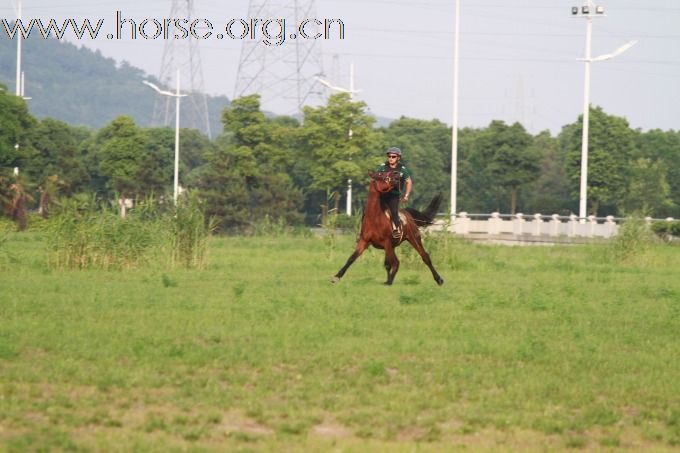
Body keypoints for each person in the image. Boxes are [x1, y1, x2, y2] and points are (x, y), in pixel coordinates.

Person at [375, 147, 412, 238]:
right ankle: (363, 230)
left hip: (393, 196)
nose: (391, 158)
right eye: (389, 156)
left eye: (393, 156)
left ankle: (397, 229)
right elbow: (375, 178)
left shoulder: (402, 169)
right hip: (382, 194)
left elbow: (409, 182)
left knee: (393, 211)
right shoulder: (382, 167)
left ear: (398, 158)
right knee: (369, 208)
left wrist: (406, 195)